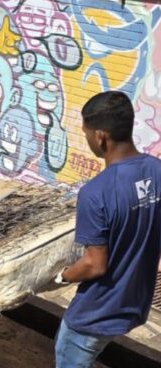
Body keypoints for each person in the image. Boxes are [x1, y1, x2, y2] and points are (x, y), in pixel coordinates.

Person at [53, 91, 161, 367]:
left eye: (87, 133)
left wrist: (62, 276)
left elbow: (94, 265)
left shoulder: (95, 193)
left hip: (94, 315)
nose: (87, 139)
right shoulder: (156, 171)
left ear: (100, 136)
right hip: (134, 304)